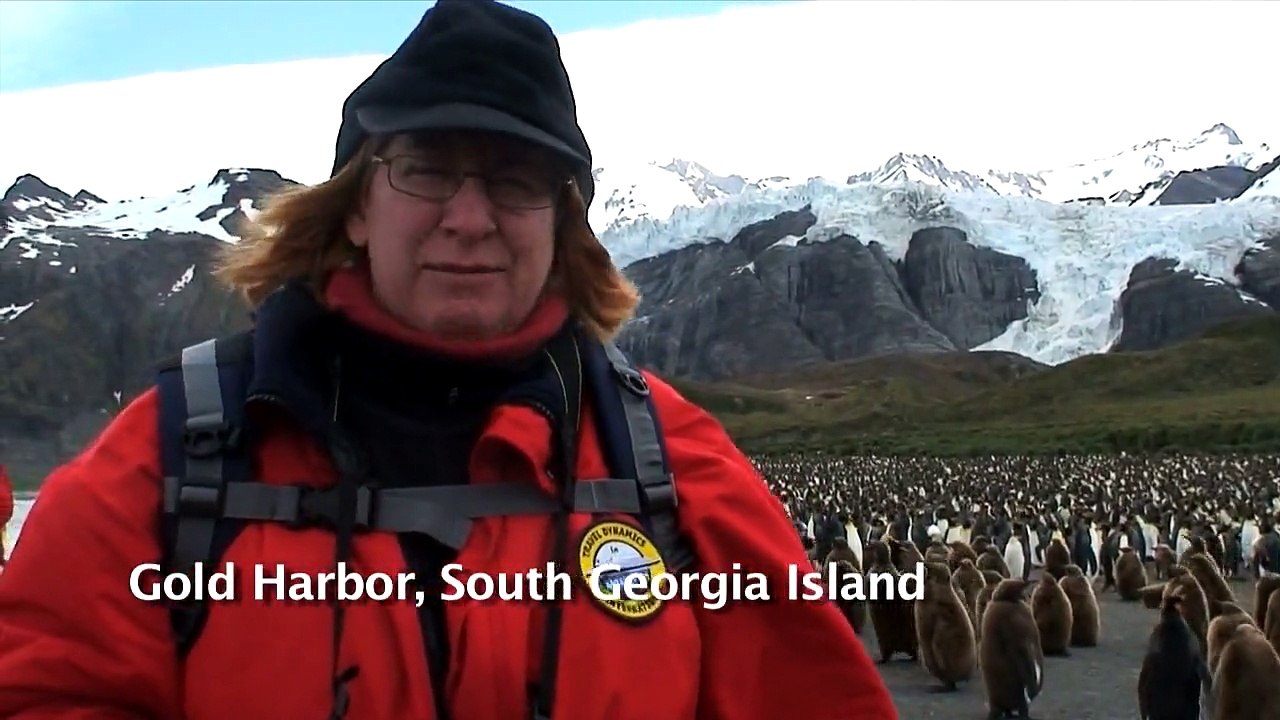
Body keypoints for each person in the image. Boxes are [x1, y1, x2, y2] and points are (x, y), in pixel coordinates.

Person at [0, 1, 898, 718]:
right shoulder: (174, 457)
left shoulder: (667, 463)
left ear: (562, 224)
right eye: (425, 169)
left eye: (514, 180)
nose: (469, 218)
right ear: (355, 207)